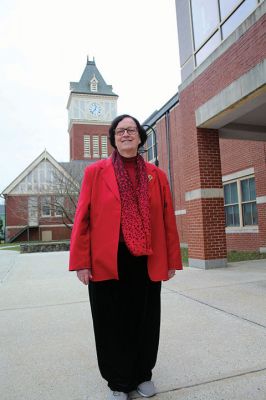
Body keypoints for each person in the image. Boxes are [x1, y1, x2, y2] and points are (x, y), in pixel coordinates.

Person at [69, 114, 182, 400]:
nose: (126, 134)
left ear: (141, 137)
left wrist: (171, 260)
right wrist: (81, 261)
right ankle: (118, 382)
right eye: (120, 131)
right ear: (113, 139)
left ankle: (143, 374)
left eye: (132, 129)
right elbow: (83, 217)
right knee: (110, 323)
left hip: (146, 258)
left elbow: (168, 219)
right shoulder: (96, 172)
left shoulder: (157, 176)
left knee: (145, 320)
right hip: (107, 260)